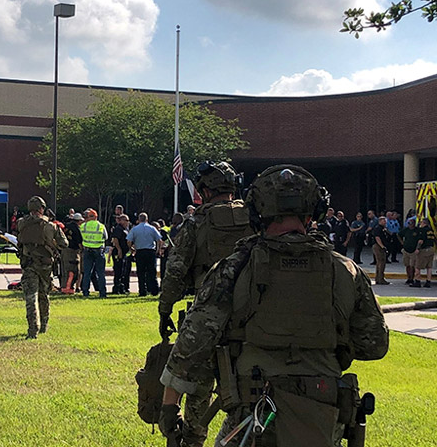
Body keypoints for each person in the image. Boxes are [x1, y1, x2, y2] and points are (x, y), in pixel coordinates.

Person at [159, 165, 389, 447]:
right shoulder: (346, 271)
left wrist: (169, 406)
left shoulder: (234, 269)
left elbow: (191, 345)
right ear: (313, 213)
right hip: (322, 414)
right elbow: (375, 345)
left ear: (257, 212)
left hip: (253, 413)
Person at [157, 161, 254, 447]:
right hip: (250, 318)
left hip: (207, 315)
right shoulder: (255, 218)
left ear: (205, 190)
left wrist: (165, 309)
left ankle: (193, 438)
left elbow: (175, 271)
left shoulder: (197, 222)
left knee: (198, 388)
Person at [17, 196, 67, 339]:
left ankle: (33, 329)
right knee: (44, 294)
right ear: (42, 208)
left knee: (31, 297)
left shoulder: (21, 223)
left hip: (28, 264)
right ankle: (44, 324)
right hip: (45, 265)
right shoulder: (50, 226)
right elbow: (64, 243)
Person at [127, 212, 162, 296]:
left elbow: (128, 241)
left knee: (141, 272)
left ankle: (142, 291)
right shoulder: (152, 228)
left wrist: (131, 249)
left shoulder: (134, 229)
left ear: (139, 220)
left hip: (140, 252)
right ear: (147, 219)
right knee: (152, 272)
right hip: (150, 251)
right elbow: (159, 240)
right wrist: (158, 249)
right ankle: (154, 290)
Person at [79, 208, 108, 298]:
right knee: (100, 273)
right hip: (98, 250)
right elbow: (106, 237)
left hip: (87, 250)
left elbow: (81, 236)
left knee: (87, 272)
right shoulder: (101, 226)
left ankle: (85, 292)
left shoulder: (83, 226)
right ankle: (102, 293)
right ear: (96, 217)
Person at [60, 212, 84, 294]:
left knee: (64, 270)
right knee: (72, 270)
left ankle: (63, 287)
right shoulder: (76, 229)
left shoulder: (66, 226)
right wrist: (82, 250)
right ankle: (68, 288)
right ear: (79, 221)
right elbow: (79, 243)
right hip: (73, 251)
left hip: (64, 250)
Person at [110, 214, 132, 294]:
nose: (128, 222)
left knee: (123, 270)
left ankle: (121, 287)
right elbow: (115, 239)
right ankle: (116, 288)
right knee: (118, 270)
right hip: (118, 252)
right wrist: (119, 250)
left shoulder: (124, 229)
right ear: (121, 221)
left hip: (124, 252)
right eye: (126, 220)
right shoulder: (118, 229)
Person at [399, 217, 421, 286]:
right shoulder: (406, 230)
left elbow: (420, 240)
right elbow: (398, 235)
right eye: (409, 223)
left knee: (412, 266)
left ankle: (412, 278)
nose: (410, 224)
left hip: (413, 251)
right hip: (406, 250)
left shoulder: (417, 231)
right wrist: (402, 242)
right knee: (407, 265)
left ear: (414, 223)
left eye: (411, 223)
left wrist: (418, 248)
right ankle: (408, 278)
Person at [372, 216, 391, 285]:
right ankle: (381, 279)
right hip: (378, 246)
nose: (385, 222)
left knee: (379, 263)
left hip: (381, 246)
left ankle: (378, 278)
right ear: (380, 221)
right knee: (381, 263)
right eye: (384, 221)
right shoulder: (378, 228)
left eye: (385, 221)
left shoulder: (383, 228)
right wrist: (382, 246)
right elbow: (377, 238)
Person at [416, 218, 435, 287]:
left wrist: (417, 248)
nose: (420, 224)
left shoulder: (422, 230)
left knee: (418, 266)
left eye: (421, 222)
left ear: (424, 223)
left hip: (424, 250)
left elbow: (420, 241)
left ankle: (417, 281)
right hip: (431, 249)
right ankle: (428, 281)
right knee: (429, 267)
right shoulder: (431, 230)